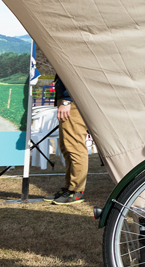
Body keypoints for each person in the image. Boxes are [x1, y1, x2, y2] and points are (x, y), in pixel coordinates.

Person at [44, 75, 89, 205]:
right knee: (66, 147)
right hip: (68, 100)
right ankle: (69, 188)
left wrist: (67, 100)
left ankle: (76, 191)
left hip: (73, 101)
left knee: (75, 147)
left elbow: (74, 74)